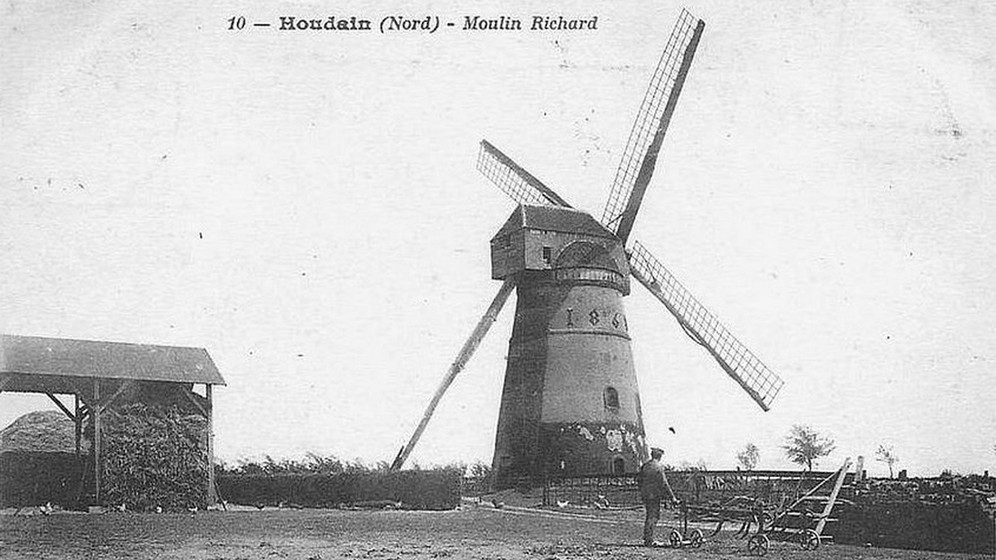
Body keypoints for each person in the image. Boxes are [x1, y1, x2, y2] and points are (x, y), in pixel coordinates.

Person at [637, 447, 679, 547]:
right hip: (654, 495)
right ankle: (649, 540)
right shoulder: (659, 467)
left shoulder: (645, 466)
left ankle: (647, 538)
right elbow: (664, 483)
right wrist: (672, 497)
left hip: (646, 495)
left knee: (649, 516)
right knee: (654, 516)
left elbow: (639, 480)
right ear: (659, 456)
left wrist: (643, 491)